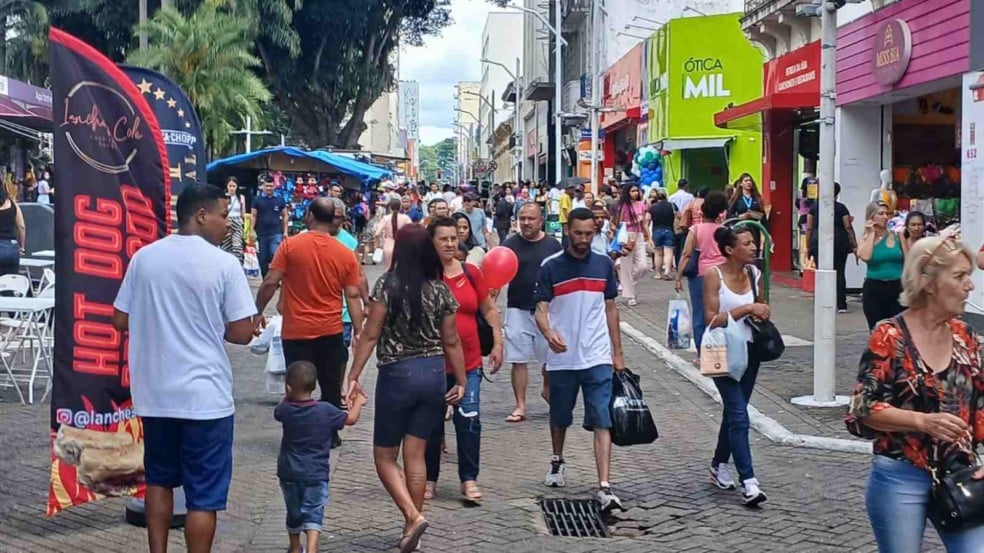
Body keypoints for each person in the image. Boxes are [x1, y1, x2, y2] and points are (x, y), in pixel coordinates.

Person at [111, 184, 259, 553]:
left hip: (155, 394)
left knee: (158, 482)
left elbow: (119, 318)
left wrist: (158, 320)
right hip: (205, 398)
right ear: (200, 215)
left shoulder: (145, 258)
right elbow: (242, 332)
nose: (229, 224)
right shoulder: (224, 264)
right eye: (224, 216)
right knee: (203, 497)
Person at [846, 236, 984, 552]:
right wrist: (922, 422)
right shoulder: (889, 335)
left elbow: (980, 404)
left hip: (961, 474)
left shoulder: (967, 336)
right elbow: (862, 409)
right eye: (959, 276)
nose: (969, 286)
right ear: (929, 281)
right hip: (899, 476)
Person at [346, 224, 467, 553]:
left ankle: (412, 516)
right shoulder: (440, 289)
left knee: (384, 456)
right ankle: (410, 526)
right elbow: (451, 339)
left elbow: (371, 334)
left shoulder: (388, 284)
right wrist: (461, 379)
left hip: (398, 375)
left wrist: (353, 374)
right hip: (433, 374)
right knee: (416, 454)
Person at [535, 207, 626, 513]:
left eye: (590, 233)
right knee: (560, 416)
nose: (584, 239)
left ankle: (604, 485)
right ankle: (558, 459)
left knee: (602, 417)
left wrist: (617, 353)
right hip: (563, 358)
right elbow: (541, 309)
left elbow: (611, 309)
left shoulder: (603, 265)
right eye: (578, 233)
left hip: (596, 355)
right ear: (567, 230)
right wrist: (548, 333)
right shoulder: (550, 267)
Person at [255, 198, 364, 448]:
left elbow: (271, 281)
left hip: (297, 330)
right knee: (330, 384)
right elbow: (353, 295)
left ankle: (295, 434)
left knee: (296, 385)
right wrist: (358, 330)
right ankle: (330, 435)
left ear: (310, 216)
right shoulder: (345, 254)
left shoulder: (290, 246)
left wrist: (257, 311)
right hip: (330, 329)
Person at [423, 216, 504, 503]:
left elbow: (488, 309)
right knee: (431, 425)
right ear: (431, 242)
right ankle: (429, 478)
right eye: (442, 238)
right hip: (431, 364)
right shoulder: (424, 276)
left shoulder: (470, 273)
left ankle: (468, 480)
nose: (449, 243)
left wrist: (497, 340)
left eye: (453, 238)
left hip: (468, 364)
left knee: (468, 420)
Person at [703, 226, 771, 506]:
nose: (754, 248)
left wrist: (762, 310)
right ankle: (749, 482)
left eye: (754, 243)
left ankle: (718, 463)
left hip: (749, 351)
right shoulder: (713, 276)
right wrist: (747, 310)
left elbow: (763, 307)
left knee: (735, 412)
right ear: (731, 250)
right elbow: (710, 318)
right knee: (739, 415)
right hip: (720, 350)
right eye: (747, 243)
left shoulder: (755, 275)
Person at [276, 361, 366, 553]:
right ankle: (312, 548)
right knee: (314, 512)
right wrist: (358, 402)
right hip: (316, 474)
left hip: (289, 473)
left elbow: (278, 411)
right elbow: (350, 419)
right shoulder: (325, 410)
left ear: (288, 387)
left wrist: (287, 394)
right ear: (314, 386)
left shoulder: (286, 410)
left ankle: (294, 547)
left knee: (293, 511)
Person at [499, 203, 562, 422]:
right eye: (522, 218)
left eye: (531, 219)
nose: (526, 223)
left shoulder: (553, 246)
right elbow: (497, 275)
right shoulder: (509, 245)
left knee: (551, 360)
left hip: (547, 311)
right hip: (517, 307)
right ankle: (520, 405)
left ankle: (547, 389)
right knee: (518, 359)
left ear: (540, 220)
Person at [675, 191, 729, 354]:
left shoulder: (695, 229)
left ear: (702, 211)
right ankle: (721, 348)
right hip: (721, 275)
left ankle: (702, 352)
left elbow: (686, 254)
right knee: (720, 312)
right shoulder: (724, 230)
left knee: (699, 313)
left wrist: (678, 277)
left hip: (700, 276)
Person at [326, 198, 370, 352]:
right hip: (311, 312)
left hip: (342, 313)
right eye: (330, 216)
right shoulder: (304, 237)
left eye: (338, 217)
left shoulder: (349, 242)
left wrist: (366, 303)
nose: (333, 221)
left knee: (339, 356)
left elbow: (359, 274)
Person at [806, 182, 857, 313]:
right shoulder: (841, 208)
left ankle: (823, 301)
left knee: (821, 271)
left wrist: (808, 246)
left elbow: (809, 227)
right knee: (839, 271)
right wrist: (854, 244)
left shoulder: (814, 207)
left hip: (818, 240)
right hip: (839, 240)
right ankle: (841, 304)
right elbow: (848, 227)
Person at [857, 201, 904, 331]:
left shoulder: (896, 234)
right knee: (878, 330)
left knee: (898, 329)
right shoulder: (865, 238)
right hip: (875, 288)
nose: (885, 217)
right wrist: (871, 233)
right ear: (872, 217)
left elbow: (907, 257)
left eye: (887, 214)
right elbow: (866, 257)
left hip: (897, 286)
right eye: (880, 214)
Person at [612, 182, 654, 306]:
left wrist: (649, 237)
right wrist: (633, 221)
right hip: (626, 236)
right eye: (632, 191)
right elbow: (618, 223)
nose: (635, 193)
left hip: (639, 236)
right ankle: (630, 295)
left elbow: (644, 224)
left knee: (643, 266)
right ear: (627, 192)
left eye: (637, 190)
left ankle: (626, 284)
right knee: (626, 267)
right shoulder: (623, 206)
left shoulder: (642, 205)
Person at [251, 175, 289, 278]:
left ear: (274, 186)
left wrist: (285, 231)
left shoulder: (280, 200)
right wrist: (251, 231)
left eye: (271, 186)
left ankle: (275, 278)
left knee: (274, 254)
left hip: (276, 232)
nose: (268, 188)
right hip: (261, 233)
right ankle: (266, 279)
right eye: (267, 186)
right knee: (263, 258)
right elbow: (253, 216)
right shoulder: (257, 200)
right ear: (263, 186)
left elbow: (285, 215)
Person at [375, 198, 412, 270]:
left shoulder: (386, 218)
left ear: (390, 207)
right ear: (400, 207)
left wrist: (378, 245)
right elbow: (412, 231)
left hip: (388, 246)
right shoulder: (406, 218)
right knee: (402, 270)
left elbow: (377, 234)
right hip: (403, 246)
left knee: (388, 270)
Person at [648, 188, 676, 280]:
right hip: (669, 230)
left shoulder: (652, 207)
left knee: (658, 253)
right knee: (668, 252)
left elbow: (647, 219)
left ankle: (658, 273)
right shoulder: (672, 205)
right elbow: (679, 215)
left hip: (656, 230)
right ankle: (667, 271)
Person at [0, 184, 26, 276]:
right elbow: (21, 227)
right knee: (10, 283)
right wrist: (21, 246)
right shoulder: (13, 204)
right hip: (12, 247)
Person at [222, 177, 247, 265]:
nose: (232, 188)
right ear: (227, 186)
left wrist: (247, 226)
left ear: (237, 187)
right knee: (225, 247)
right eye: (230, 186)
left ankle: (239, 266)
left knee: (237, 247)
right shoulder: (223, 197)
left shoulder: (241, 198)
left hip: (237, 222)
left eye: (234, 186)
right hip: (226, 222)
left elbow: (243, 213)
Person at [669, 179, 694, 264]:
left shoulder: (671, 197)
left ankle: (676, 263)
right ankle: (682, 263)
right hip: (686, 222)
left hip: (675, 222)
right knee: (684, 244)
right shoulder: (690, 197)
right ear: (686, 185)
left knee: (676, 244)